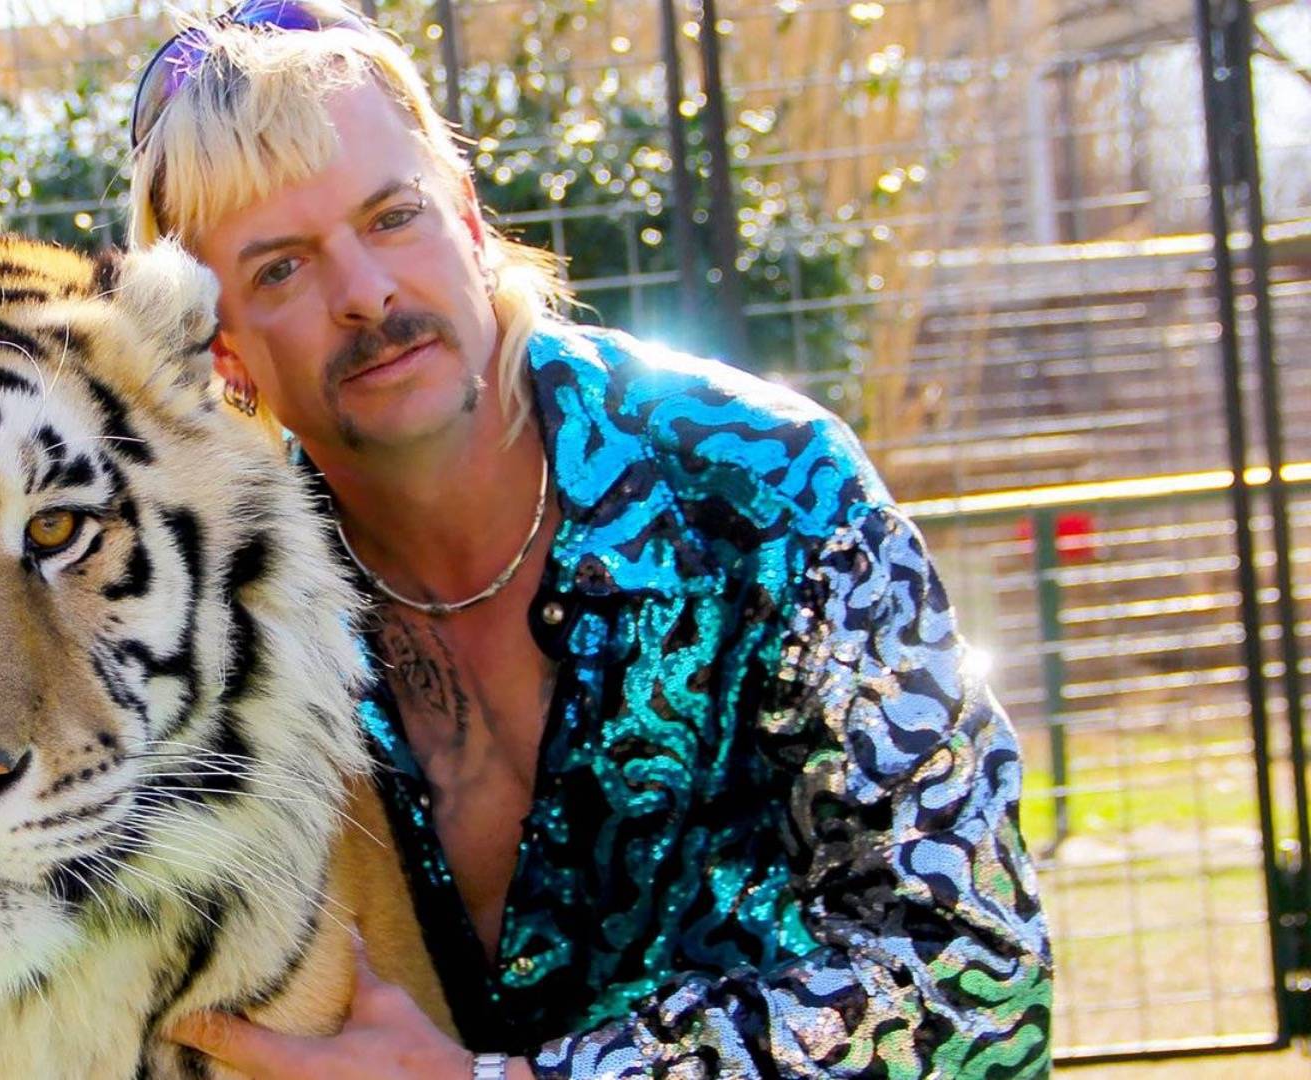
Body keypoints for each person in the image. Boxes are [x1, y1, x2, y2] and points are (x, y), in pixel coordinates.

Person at [128, 2, 1053, 1078]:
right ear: (224, 352)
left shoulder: (768, 488)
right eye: (282, 268)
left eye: (394, 218)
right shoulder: (229, 629)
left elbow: (979, 971)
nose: (367, 294)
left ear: (468, 218)